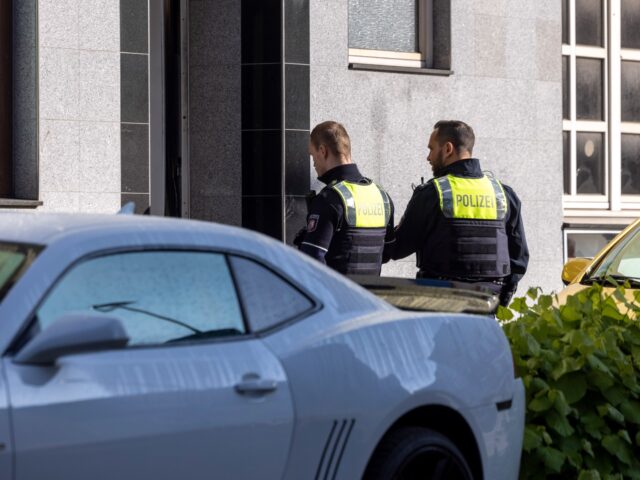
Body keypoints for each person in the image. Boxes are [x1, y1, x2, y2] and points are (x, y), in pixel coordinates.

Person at [383, 120, 529, 306]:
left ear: (448, 149)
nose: (428, 157)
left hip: (439, 306)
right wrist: (501, 300)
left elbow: (397, 249)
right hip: (486, 307)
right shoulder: (503, 194)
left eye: (431, 149)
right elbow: (519, 258)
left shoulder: (432, 193)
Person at [294, 121, 395, 275]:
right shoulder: (382, 196)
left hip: (338, 296)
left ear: (322, 151)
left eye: (312, 155)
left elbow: (313, 258)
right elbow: (386, 253)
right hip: (370, 296)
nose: (313, 163)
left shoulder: (330, 198)